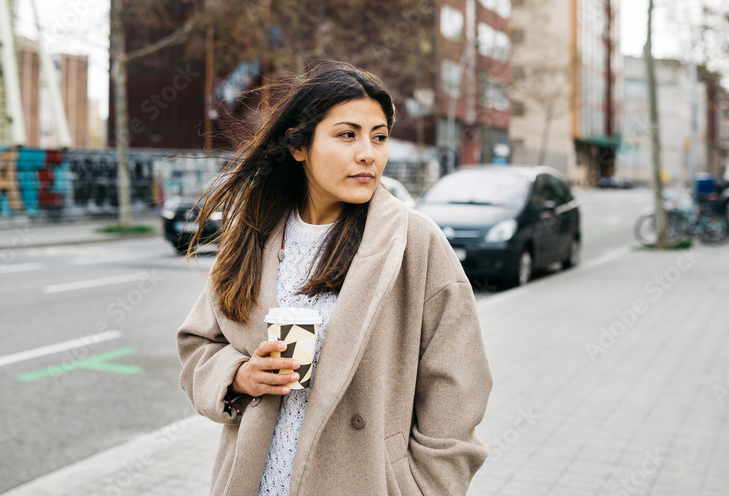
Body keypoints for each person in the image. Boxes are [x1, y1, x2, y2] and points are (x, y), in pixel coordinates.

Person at [176, 62, 492, 495]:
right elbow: (198, 345)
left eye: (378, 137)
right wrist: (239, 377)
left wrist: (424, 487)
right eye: (347, 135)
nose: (368, 153)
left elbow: (458, 384)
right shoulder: (253, 234)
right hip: (257, 482)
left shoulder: (413, 242)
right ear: (299, 146)